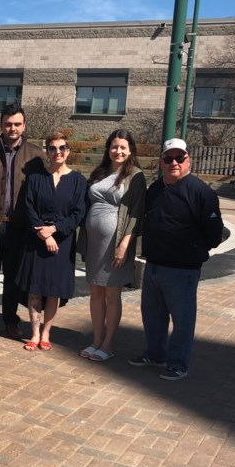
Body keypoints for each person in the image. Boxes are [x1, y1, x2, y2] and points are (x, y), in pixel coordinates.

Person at [128, 138, 224, 381]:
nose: (173, 163)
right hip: (154, 265)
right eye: (168, 158)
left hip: (182, 270)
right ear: (161, 162)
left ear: (188, 160)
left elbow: (214, 233)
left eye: (179, 158)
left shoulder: (201, 192)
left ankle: (178, 363)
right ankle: (155, 354)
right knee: (152, 314)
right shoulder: (156, 189)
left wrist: (190, 250)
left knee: (182, 319)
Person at [0, 104, 45, 339]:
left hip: (19, 227)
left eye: (16, 124)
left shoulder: (35, 155)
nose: (12, 128)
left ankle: (11, 319)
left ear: (24, 126)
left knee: (13, 276)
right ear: (1, 125)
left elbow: (43, 191)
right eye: (8, 124)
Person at [77, 129, 146, 362]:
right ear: (108, 148)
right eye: (114, 146)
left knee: (112, 294)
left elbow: (136, 212)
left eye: (123, 147)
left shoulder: (135, 176)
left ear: (130, 151)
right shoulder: (100, 173)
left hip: (116, 244)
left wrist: (124, 244)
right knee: (95, 293)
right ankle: (96, 340)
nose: (118, 151)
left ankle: (107, 344)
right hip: (94, 244)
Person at [17, 132, 86, 351]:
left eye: (62, 148)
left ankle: (47, 333)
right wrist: (43, 234)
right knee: (35, 288)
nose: (57, 152)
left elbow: (78, 213)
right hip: (36, 239)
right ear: (46, 151)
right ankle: (35, 333)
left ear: (68, 151)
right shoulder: (36, 178)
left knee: (54, 290)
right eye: (52, 148)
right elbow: (28, 208)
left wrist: (54, 230)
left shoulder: (77, 180)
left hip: (63, 241)